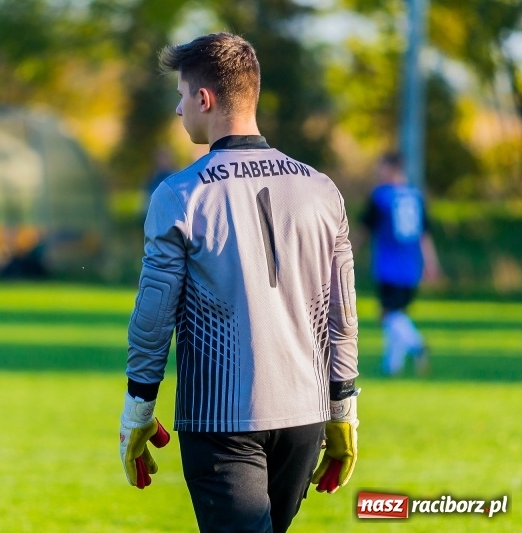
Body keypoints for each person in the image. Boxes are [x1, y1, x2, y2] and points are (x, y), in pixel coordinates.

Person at [118, 33, 360, 533]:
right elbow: (343, 315)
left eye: (182, 94)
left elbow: (153, 316)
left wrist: (138, 407)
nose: (178, 107)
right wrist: (344, 408)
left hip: (220, 418)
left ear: (204, 99)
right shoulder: (322, 189)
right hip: (304, 416)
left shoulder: (180, 194)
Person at [361, 152, 440, 376]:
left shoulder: (381, 196)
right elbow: (425, 234)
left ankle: (418, 346)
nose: (378, 172)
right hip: (412, 266)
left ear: (391, 168)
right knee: (398, 314)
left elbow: (364, 228)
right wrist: (431, 263)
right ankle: (392, 367)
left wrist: (345, 252)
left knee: (388, 315)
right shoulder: (416, 195)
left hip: (389, 266)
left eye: (381, 167)